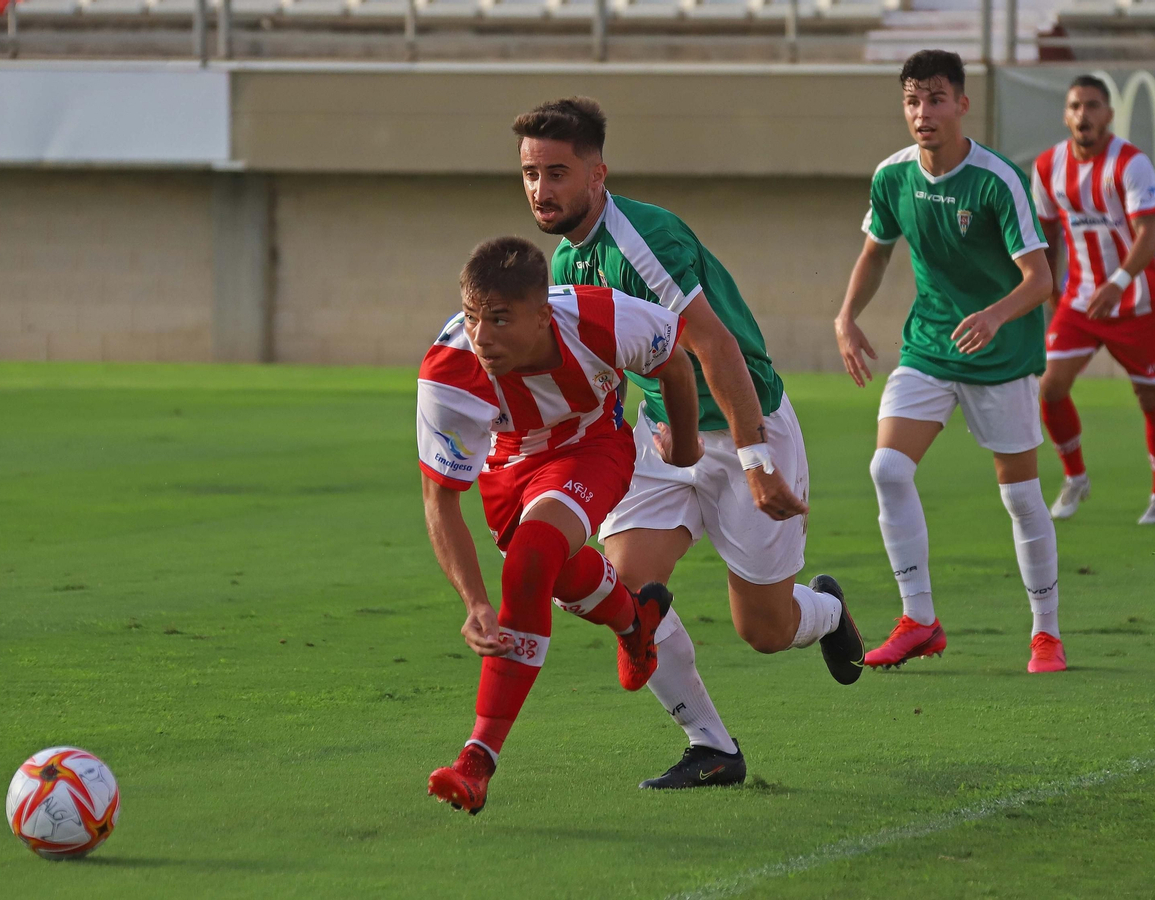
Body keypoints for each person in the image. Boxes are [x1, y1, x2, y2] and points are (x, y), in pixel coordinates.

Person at [513, 97, 866, 790]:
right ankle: (712, 747)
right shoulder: (563, 266)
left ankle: (825, 612)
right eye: (529, 173)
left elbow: (715, 346)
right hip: (659, 435)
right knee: (624, 593)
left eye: (557, 172)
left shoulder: (646, 239)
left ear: (596, 174)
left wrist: (757, 459)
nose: (540, 190)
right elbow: (598, 374)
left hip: (744, 430)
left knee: (764, 629)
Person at [420, 236, 705, 815]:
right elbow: (440, 499)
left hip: (590, 445)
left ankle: (478, 759)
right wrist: (473, 603)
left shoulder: (602, 318)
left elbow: (675, 361)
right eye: (474, 317)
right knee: (556, 577)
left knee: (531, 563)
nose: (482, 335)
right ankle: (634, 620)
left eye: (500, 320)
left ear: (544, 312)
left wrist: (685, 446)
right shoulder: (450, 371)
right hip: (507, 465)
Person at [832, 50, 1067, 674]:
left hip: (1002, 356)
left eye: (935, 98)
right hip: (930, 347)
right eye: (912, 100)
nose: (922, 112)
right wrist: (846, 315)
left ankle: (1046, 633)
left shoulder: (998, 179)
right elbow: (877, 252)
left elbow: (1039, 279)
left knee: (1019, 497)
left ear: (962, 104)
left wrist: (994, 315)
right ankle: (920, 619)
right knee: (887, 469)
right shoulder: (892, 176)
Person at [1033, 75, 1155, 526]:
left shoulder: (1131, 163)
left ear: (1108, 114)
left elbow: (1148, 235)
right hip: (1079, 301)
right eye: (1075, 106)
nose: (1084, 115)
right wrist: (1050, 288)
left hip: (1136, 301)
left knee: (1150, 396)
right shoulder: (1046, 167)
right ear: (1066, 114)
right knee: (1050, 387)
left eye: (1093, 106)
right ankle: (1075, 477)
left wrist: (1117, 281)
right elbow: (1048, 231)